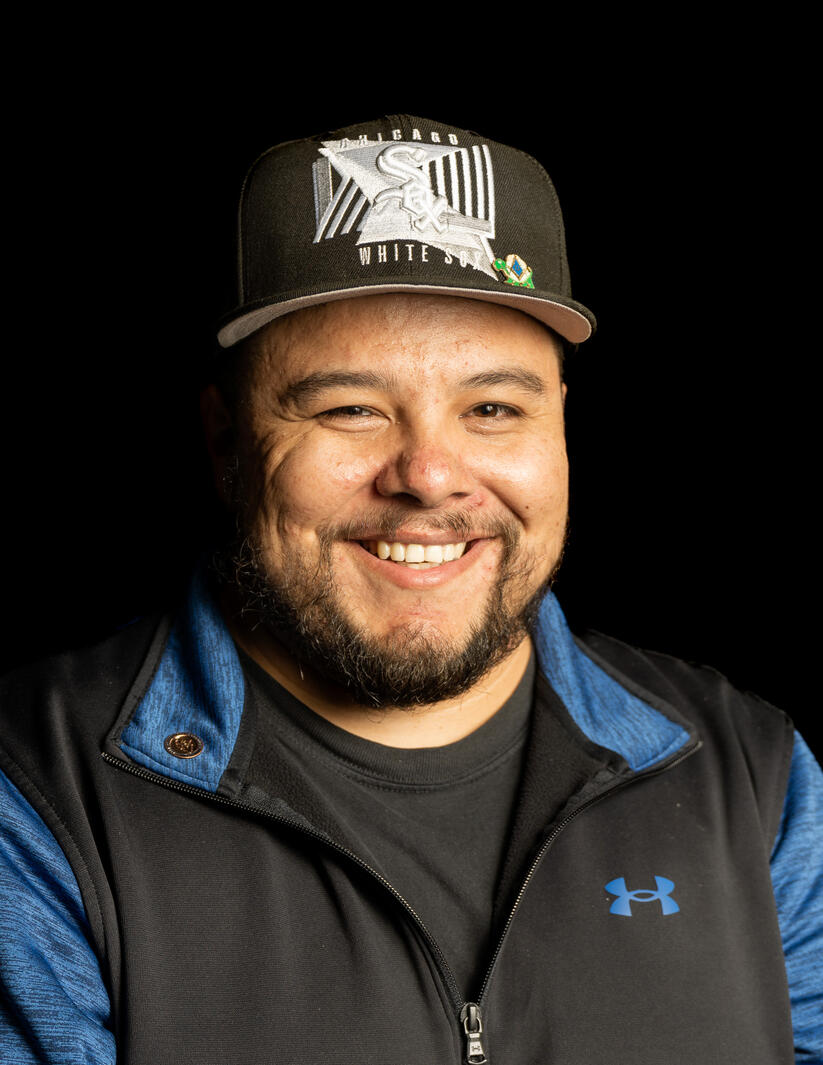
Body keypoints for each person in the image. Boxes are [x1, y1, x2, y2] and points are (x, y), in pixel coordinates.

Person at [1, 114, 820, 1064]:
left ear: (560, 431)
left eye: (492, 408)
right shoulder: (38, 797)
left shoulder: (751, 778)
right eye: (350, 408)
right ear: (226, 443)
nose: (429, 475)